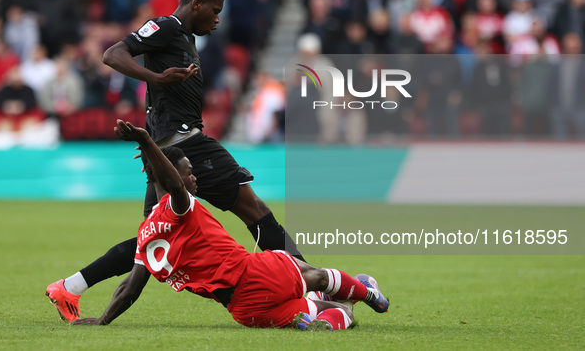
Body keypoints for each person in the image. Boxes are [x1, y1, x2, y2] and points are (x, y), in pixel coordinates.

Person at [46, 0, 304, 323]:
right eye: (213, 11)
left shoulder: (181, 36)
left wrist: (152, 147)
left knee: (150, 243)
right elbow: (113, 54)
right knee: (254, 210)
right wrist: (155, 79)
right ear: (195, 4)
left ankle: (70, 287)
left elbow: (162, 102)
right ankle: (312, 286)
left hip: (167, 150)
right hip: (188, 147)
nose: (216, 20)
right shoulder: (166, 27)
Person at [68, 120, 389, 331]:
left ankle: (330, 315)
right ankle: (370, 295)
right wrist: (146, 140)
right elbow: (174, 187)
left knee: (319, 309)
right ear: (171, 177)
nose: (194, 178)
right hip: (256, 274)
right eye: (188, 171)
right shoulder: (179, 207)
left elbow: (130, 288)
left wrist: (102, 321)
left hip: (243, 310)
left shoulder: (145, 238)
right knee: (315, 276)